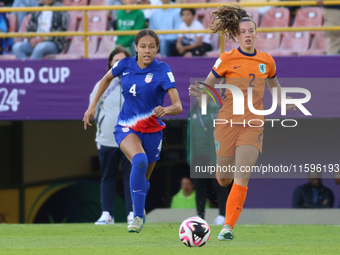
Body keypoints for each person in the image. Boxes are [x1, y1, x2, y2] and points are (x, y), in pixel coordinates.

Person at [188, 4, 297, 241]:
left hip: (253, 124)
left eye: (251, 31)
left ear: (256, 33)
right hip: (226, 123)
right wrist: (200, 91)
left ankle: (228, 226)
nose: (248, 35)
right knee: (224, 178)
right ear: (236, 35)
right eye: (243, 31)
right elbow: (209, 85)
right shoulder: (226, 58)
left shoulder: (267, 61)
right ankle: (222, 177)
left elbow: (274, 88)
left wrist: (284, 101)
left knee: (242, 176)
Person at [83, 29, 182, 233]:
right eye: (143, 46)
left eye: (151, 47)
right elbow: (105, 79)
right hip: (126, 127)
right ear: (135, 47)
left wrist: (166, 110)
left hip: (153, 131)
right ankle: (136, 216)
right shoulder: (124, 65)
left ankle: (138, 208)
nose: (147, 51)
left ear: (156, 49)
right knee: (139, 160)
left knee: (143, 181)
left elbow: (178, 106)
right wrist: (92, 106)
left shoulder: (163, 70)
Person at [90, 46, 134, 225]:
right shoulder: (102, 84)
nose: (118, 64)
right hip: (107, 139)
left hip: (130, 139)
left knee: (131, 176)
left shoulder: (135, 83)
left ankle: (132, 214)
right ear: (110, 63)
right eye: (115, 61)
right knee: (108, 176)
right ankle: (107, 214)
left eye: (122, 61)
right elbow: (94, 108)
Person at [187, 97, 231, 224]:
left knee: (220, 185)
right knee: (200, 187)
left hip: (214, 155)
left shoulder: (216, 109)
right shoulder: (193, 110)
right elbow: (189, 134)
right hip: (198, 156)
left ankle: (223, 215)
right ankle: (200, 216)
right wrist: (190, 155)